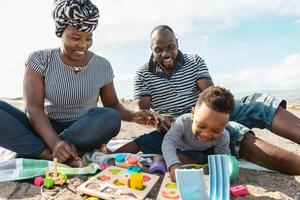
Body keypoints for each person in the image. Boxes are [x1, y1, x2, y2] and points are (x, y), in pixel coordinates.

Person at [115, 25, 300, 175]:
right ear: (151, 49)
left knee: (258, 104)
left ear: (177, 43)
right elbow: (144, 111)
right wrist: (157, 117)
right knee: (232, 133)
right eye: (159, 49)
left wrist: (212, 115)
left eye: (170, 47)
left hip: (207, 110)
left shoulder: (194, 60)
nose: (166, 54)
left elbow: (210, 95)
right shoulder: (142, 74)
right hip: (180, 124)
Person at [0, 0, 158, 167]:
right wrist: (54, 143)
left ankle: (38, 149)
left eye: (88, 38)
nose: (83, 45)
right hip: (44, 128)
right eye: (76, 38)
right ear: (60, 31)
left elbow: (112, 105)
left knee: (110, 117)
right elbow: (34, 108)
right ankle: (48, 154)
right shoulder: (40, 60)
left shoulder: (102, 65)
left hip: (84, 131)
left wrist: (134, 116)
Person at [162, 86, 233, 181]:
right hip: (179, 147)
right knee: (149, 145)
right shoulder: (183, 122)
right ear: (193, 113)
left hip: (199, 153)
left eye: (216, 131)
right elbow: (169, 142)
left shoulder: (224, 136)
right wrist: (174, 164)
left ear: (225, 125)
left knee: (204, 159)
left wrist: (226, 170)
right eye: (202, 126)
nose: (206, 134)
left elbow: (223, 160)